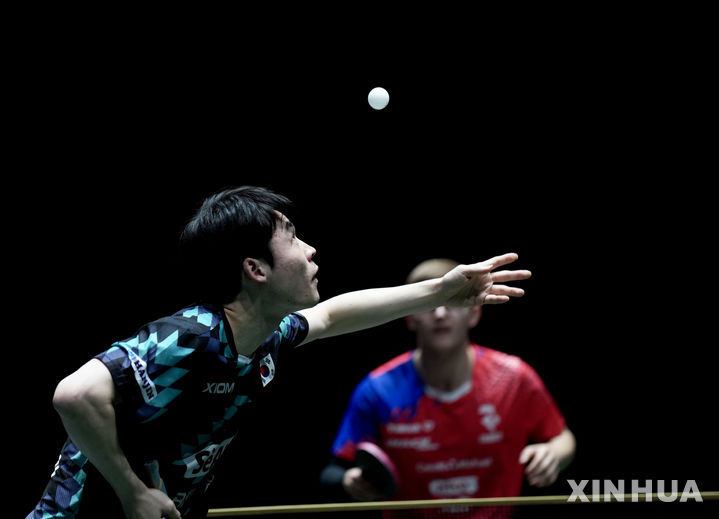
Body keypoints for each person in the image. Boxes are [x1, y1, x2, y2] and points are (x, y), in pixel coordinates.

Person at [27, 187, 531, 519]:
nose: (311, 249)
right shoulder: (191, 337)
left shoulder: (266, 335)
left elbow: (332, 316)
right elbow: (74, 394)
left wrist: (440, 291)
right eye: (292, 236)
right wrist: (131, 491)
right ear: (256, 269)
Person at [321, 258, 575, 517]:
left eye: (452, 302)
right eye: (429, 305)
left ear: (474, 313)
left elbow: (563, 439)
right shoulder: (378, 389)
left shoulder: (513, 378)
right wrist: (350, 480)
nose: (440, 314)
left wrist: (553, 453)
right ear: (409, 317)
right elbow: (335, 469)